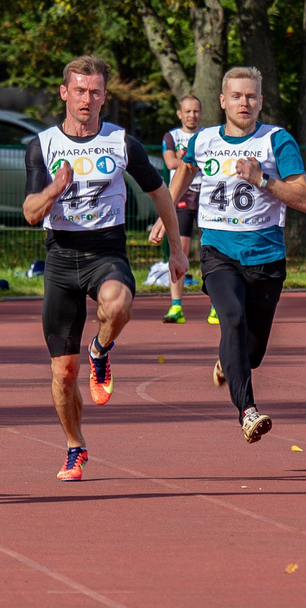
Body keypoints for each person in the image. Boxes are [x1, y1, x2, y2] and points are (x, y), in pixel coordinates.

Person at [24, 56, 189, 482]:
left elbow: (161, 194)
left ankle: (101, 350)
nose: (87, 99)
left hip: (105, 252)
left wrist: (177, 250)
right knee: (63, 372)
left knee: (118, 304)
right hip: (60, 256)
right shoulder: (41, 146)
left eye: (95, 92)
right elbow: (28, 212)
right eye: (79, 91)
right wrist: (54, 190)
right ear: (64, 93)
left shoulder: (121, 143)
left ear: (104, 96)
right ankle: (74, 447)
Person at [169, 67, 306, 441]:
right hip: (219, 250)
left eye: (251, 96)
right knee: (230, 318)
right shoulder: (203, 141)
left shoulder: (276, 141)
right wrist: (166, 214)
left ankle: (229, 362)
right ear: (223, 101)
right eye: (236, 96)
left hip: (266, 255)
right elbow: (185, 170)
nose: (244, 103)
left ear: (261, 101)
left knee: (251, 353)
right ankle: (248, 412)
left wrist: (262, 180)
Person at [153, 93, 203, 325]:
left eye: (196, 111)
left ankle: (216, 307)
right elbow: (171, 163)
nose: (192, 115)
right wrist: (186, 154)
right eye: (188, 111)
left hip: (207, 195)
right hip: (181, 195)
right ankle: (176, 306)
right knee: (179, 248)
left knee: (212, 250)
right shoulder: (171, 136)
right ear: (179, 113)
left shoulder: (207, 136)